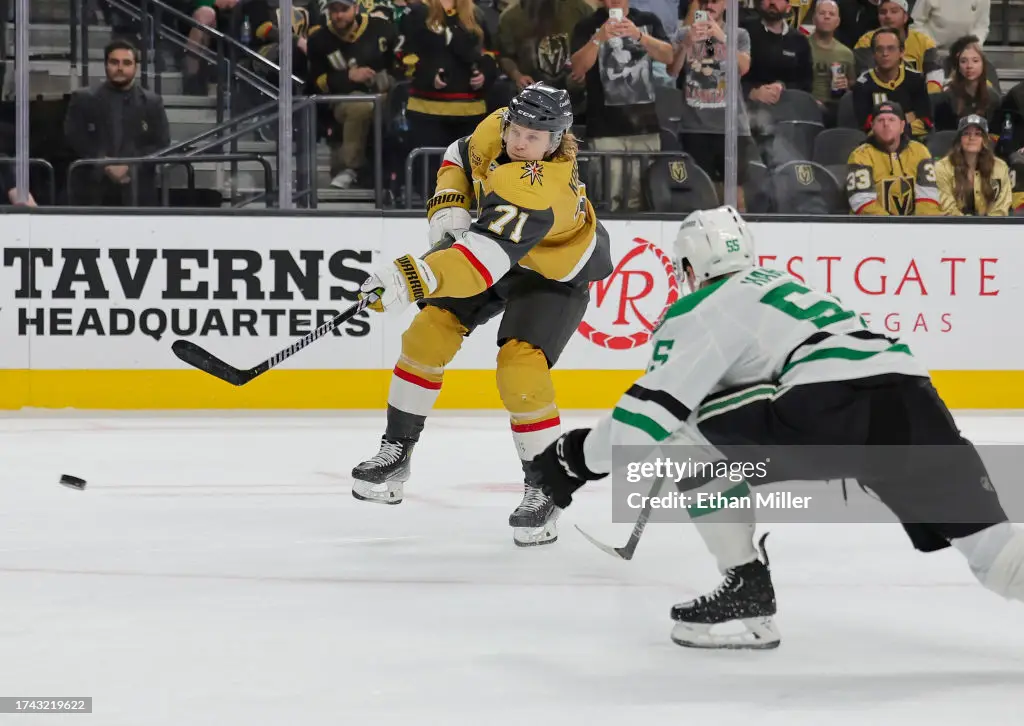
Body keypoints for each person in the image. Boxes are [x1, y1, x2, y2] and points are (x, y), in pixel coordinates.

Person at [529, 205, 1024, 649]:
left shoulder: (702, 305)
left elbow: (645, 420)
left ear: (688, 266)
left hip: (832, 406)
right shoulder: (787, 287)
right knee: (997, 557)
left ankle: (745, 584)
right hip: (912, 396)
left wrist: (572, 460)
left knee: (681, 428)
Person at [349, 82, 612, 548]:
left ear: (556, 141)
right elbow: (458, 154)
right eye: (518, 128)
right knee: (427, 334)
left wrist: (410, 277)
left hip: (552, 270)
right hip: (492, 245)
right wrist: (449, 206)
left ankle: (545, 487)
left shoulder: (539, 187)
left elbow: (478, 266)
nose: (520, 139)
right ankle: (396, 453)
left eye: (535, 135)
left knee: (519, 366)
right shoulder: (497, 125)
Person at [846, 100, 940, 215]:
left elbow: (928, 197)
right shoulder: (860, 155)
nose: (886, 124)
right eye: (880, 120)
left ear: (902, 126)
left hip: (915, 228)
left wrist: (919, 227)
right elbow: (862, 202)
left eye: (891, 120)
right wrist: (891, 227)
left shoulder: (920, 151)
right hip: (873, 229)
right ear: (872, 127)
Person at [935, 114, 1012, 216]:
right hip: (954, 227)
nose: (971, 138)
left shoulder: (1000, 167)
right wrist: (968, 228)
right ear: (959, 139)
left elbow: (1001, 208)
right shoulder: (942, 167)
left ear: (984, 139)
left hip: (991, 229)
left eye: (978, 134)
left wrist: (986, 229)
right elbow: (947, 208)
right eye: (966, 133)